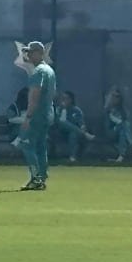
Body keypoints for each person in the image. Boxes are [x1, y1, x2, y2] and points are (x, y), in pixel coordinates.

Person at [17, 42, 56, 191]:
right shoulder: (49, 70)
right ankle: (42, 176)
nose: (28, 55)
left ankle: (36, 178)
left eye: (31, 52)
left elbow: (35, 95)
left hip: (37, 115)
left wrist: (28, 117)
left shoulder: (38, 71)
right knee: (40, 146)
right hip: (47, 113)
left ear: (39, 53)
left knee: (27, 145)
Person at [104, 88, 132, 162]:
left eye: (117, 96)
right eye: (113, 96)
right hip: (111, 132)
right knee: (123, 125)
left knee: (123, 132)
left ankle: (120, 157)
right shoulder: (107, 108)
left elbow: (127, 124)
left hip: (121, 131)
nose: (115, 98)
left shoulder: (123, 110)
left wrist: (121, 123)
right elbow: (110, 121)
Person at [54, 90, 95, 162]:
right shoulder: (59, 109)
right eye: (63, 98)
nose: (64, 100)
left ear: (71, 100)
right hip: (59, 131)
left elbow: (81, 124)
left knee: (73, 134)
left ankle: (72, 157)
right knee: (62, 122)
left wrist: (83, 127)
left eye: (66, 98)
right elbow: (58, 122)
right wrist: (63, 109)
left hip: (73, 133)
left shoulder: (77, 110)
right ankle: (85, 135)